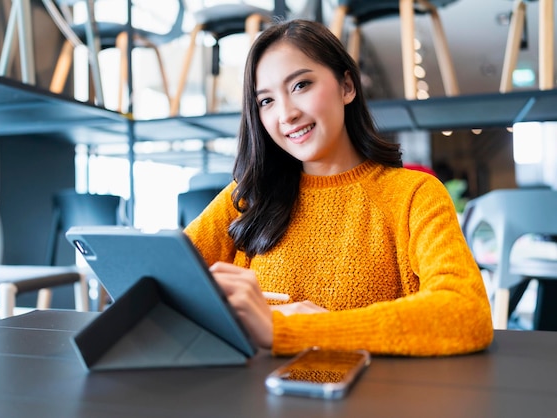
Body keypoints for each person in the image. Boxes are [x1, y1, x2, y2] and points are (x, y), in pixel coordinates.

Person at [184, 19, 493, 357]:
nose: (286, 113)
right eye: (266, 101)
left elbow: (466, 313)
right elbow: (156, 284)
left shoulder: (414, 194)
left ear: (347, 86)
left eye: (301, 85)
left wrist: (287, 329)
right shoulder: (247, 197)